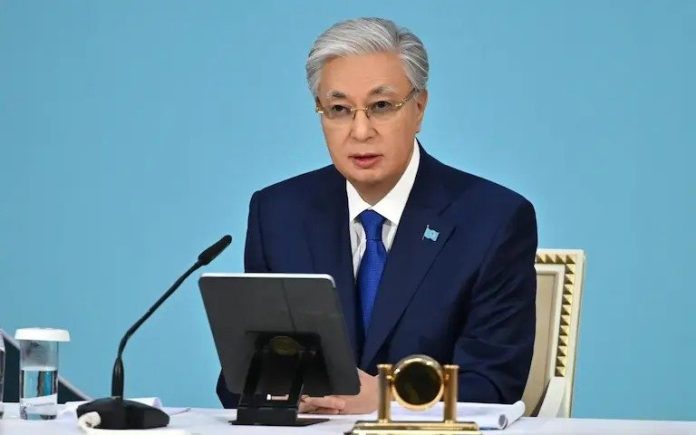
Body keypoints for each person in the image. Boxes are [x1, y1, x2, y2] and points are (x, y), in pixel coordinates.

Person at [217, 17, 537, 415]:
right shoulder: (279, 213)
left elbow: (493, 384)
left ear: (419, 108)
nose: (360, 131)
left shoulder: (493, 220)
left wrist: (389, 397)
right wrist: (279, 387)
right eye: (339, 109)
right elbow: (241, 378)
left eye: (381, 106)